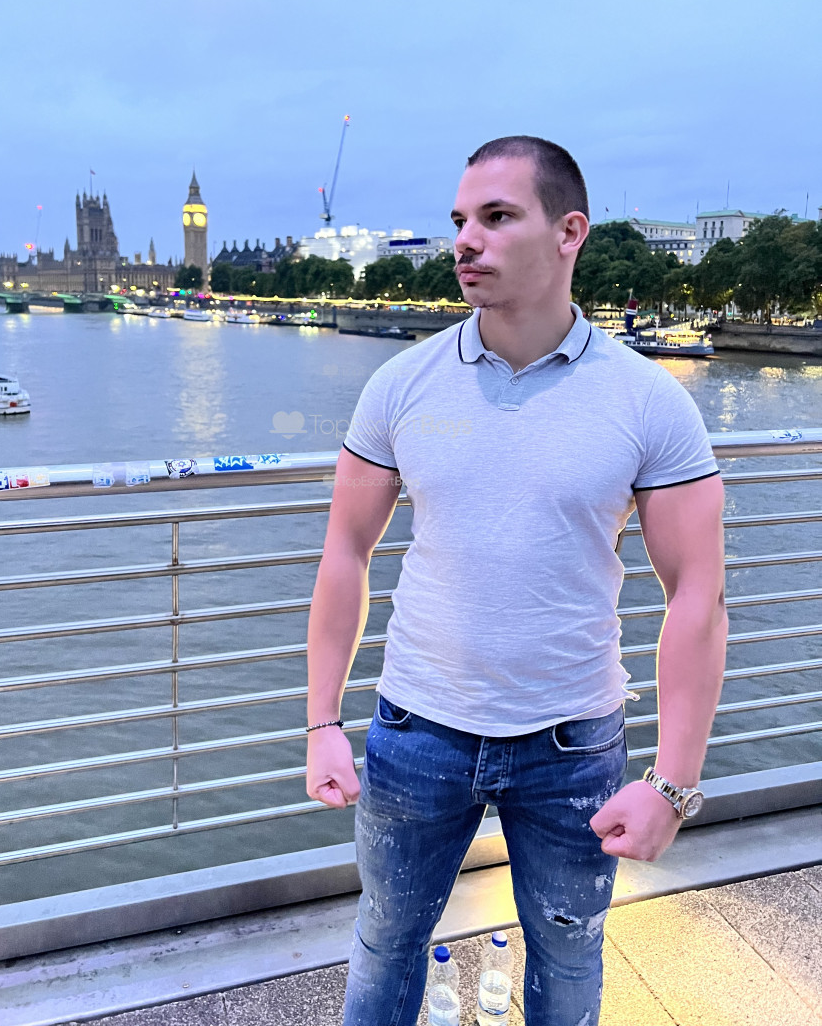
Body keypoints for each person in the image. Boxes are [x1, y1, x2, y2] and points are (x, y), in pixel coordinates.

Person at [305, 136, 728, 1026]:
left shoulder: (649, 400)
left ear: (569, 231)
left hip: (572, 739)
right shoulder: (400, 385)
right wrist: (322, 723)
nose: (466, 239)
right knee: (384, 942)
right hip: (416, 728)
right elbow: (345, 550)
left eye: (497, 217)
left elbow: (698, 592)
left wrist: (674, 784)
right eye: (461, 219)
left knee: (570, 955)